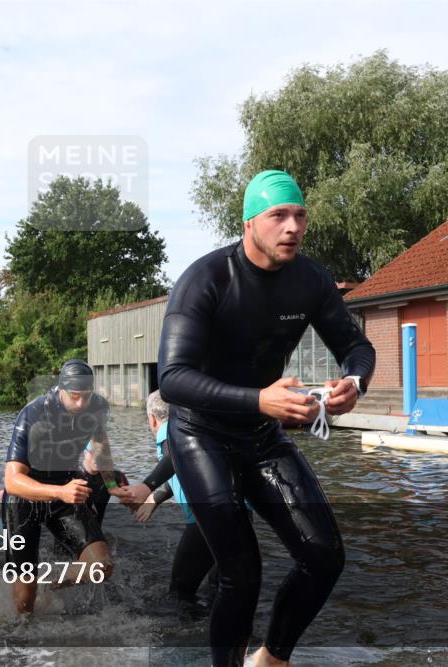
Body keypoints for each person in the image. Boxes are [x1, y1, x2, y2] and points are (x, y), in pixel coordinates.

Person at [156, 170, 375, 666]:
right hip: (199, 433)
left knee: (324, 556)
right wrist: (260, 399)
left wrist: (354, 384)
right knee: (242, 572)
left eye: (299, 216)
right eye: (278, 216)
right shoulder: (205, 280)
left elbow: (356, 346)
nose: (292, 227)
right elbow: (172, 378)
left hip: (260, 434)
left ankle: (271, 659)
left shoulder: (311, 280)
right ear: (249, 222)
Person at [2, 359, 127, 614]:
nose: (82, 404)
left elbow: (101, 444)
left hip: (64, 490)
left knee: (101, 566)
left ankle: (47, 586)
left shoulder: (97, 407)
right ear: (61, 390)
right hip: (25, 499)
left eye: (87, 396)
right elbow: (12, 480)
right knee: (24, 606)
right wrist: (59, 492)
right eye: (75, 396)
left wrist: (112, 484)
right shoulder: (34, 413)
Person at [129, 390, 217, 614]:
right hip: (235, 516)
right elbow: (184, 470)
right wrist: (157, 497)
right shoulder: (193, 429)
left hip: (205, 521)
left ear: (151, 419)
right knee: (221, 589)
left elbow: (175, 459)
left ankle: (184, 646)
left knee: (178, 596)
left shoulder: (169, 432)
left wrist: (146, 486)